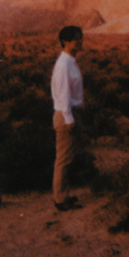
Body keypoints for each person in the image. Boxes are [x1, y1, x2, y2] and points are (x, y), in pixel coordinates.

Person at [51, 25, 85, 211]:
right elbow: (63, 95)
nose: (80, 42)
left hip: (70, 113)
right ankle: (60, 199)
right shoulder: (64, 65)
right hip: (66, 116)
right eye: (76, 39)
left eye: (81, 38)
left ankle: (64, 194)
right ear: (66, 41)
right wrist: (69, 119)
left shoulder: (70, 62)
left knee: (67, 157)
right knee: (63, 158)